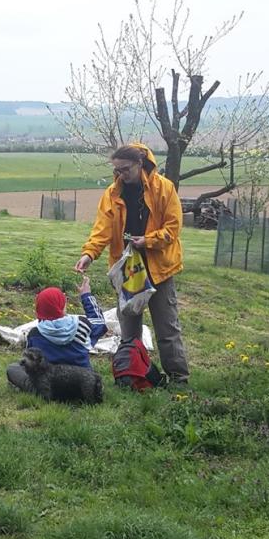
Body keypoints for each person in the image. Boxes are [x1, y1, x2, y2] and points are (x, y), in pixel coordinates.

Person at [75, 143, 189, 385]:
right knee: (129, 329)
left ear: (140, 164)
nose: (121, 175)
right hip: (127, 269)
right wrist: (89, 254)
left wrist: (148, 240)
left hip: (159, 268)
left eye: (125, 169)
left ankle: (179, 379)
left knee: (167, 328)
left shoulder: (164, 189)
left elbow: (172, 229)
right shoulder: (112, 194)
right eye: (117, 170)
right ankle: (131, 377)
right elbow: (102, 230)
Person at [6, 276, 107, 392]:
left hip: (49, 387)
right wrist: (86, 295)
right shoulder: (82, 325)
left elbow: (31, 365)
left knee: (13, 368)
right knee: (90, 376)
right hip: (81, 385)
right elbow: (99, 322)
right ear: (62, 306)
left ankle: (34, 390)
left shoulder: (34, 334)